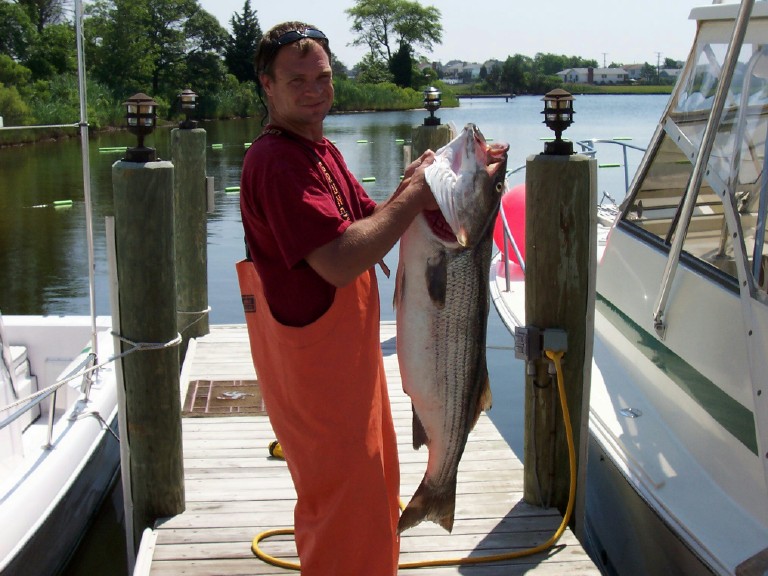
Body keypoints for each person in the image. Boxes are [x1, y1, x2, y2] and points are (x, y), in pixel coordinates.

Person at [238, 20, 437, 575]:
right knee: (343, 512)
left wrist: (412, 187)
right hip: (317, 379)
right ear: (267, 86)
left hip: (352, 367)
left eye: (322, 77)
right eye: (297, 80)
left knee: (372, 498)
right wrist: (416, 197)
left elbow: (368, 222)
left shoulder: (318, 150)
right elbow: (340, 259)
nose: (314, 90)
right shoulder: (276, 162)